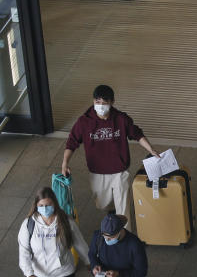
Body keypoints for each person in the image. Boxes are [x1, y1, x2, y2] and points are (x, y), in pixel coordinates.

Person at [62, 85, 161, 224]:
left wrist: (151, 150)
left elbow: (136, 134)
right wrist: (65, 163)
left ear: (112, 102)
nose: (100, 106)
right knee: (102, 203)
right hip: (97, 171)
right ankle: (112, 209)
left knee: (123, 208)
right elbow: (72, 142)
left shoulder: (121, 119)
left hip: (119, 171)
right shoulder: (84, 122)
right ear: (93, 101)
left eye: (104, 103)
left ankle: (124, 235)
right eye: (97, 102)